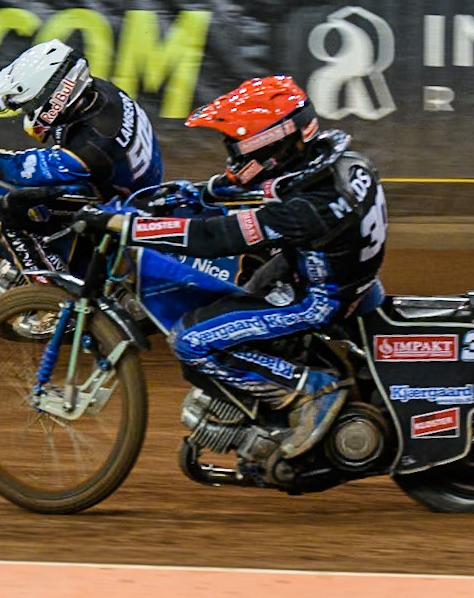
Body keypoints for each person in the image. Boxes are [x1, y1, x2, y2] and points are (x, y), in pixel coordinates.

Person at [82, 74, 388, 464]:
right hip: (333, 274)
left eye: (238, 148)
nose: (233, 157)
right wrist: (201, 191)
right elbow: (267, 186)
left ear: (273, 146)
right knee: (237, 291)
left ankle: (310, 388)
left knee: (191, 341)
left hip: (318, 299)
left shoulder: (307, 209)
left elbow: (217, 238)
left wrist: (131, 227)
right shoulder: (337, 162)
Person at [0, 39, 166, 291]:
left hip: (121, 201)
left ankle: (53, 295)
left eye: (33, 104)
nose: (28, 110)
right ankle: (58, 255)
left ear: (57, 95)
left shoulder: (92, 145)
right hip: (133, 179)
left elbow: (18, 170)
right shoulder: (95, 92)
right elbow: (28, 85)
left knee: (11, 209)